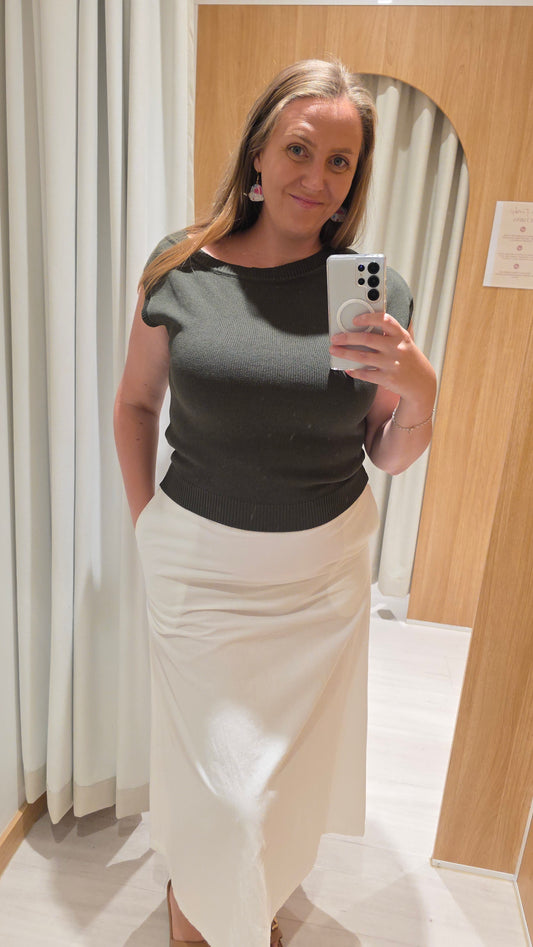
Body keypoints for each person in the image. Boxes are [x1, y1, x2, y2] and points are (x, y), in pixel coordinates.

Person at [114, 59, 436, 947]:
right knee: (222, 793)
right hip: (198, 577)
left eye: (339, 161)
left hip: (320, 583)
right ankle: (205, 916)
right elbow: (135, 404)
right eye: (298, 149)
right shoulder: (180, 269)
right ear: (257, 153)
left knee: (279, 791)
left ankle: (238, 902)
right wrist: (148, 529)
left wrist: (422, 390)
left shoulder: (374, 291)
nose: (315, 177)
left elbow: (386, 450)